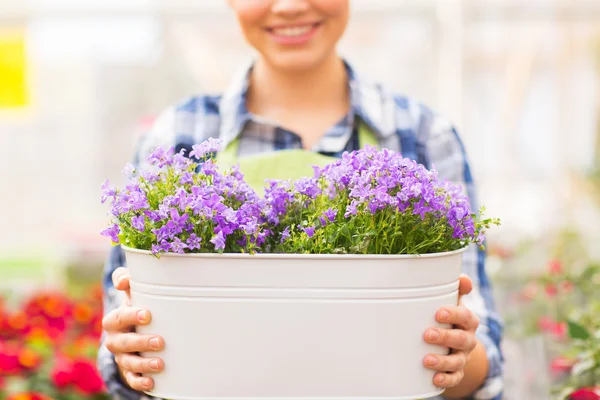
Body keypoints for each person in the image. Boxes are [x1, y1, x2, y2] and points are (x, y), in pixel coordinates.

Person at [98, 1, 504, 399]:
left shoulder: (422, 134)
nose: (290, 6)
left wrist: (455, 356)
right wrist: (131, 352)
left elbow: (482, 359)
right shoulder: (177, 134)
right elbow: (125, 346)